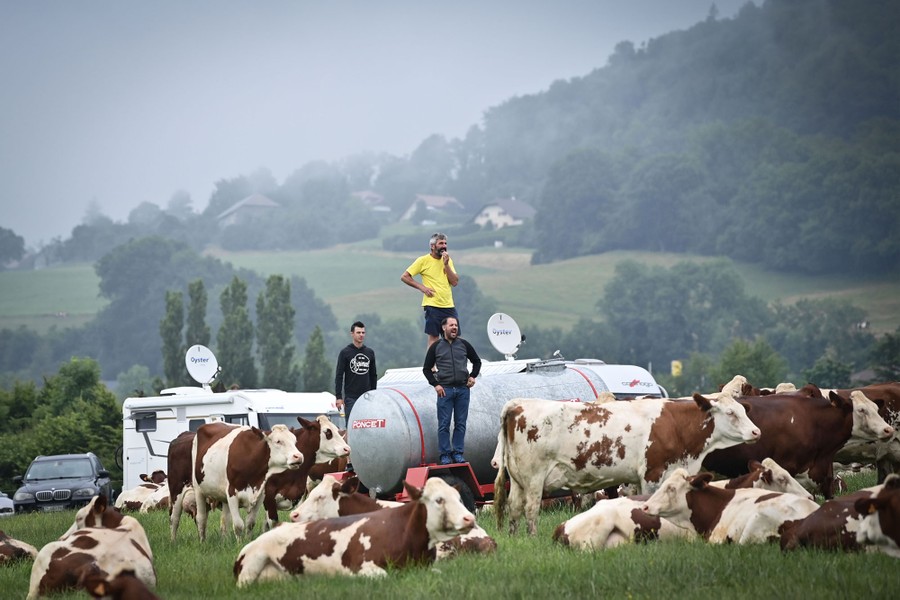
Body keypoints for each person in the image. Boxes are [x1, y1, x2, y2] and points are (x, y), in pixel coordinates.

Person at [422, 316, 481, 465]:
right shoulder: (436, 347)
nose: (454, 327)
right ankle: (445, 454)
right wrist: (436, 384)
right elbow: (426, 369)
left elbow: (477, 361)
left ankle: (458, 453)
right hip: (445, 390)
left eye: (456, 325)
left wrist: (473, 376)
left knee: (460, 423)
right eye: (451, 325)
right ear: (444, 328)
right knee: (444, 424)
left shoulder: (464, 345)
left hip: (463, 390)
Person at [401, 232, 460, 348]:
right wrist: (422, 288)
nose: (444, 246)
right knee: (434, 338)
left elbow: (454, 282)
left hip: (448, 304)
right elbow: (404, 277)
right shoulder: (423, 260)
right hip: (432, 305)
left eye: (445, 243)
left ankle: (452, 364)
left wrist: (446, 265)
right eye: (441, 243)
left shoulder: (448, 260)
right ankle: (431, 366)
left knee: (454, 337)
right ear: (433, 246)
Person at [334, 321, 377, 425]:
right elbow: (339, 375)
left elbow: (373, 375)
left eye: (363, 332)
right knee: (352, 425)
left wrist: (374, 394)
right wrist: (339, 397)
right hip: (351, 397)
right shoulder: (345, 353)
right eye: (358, 332)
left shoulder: (370, 353)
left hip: (367, 397)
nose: (361, 335)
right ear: (352, 334)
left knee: (368, 425)